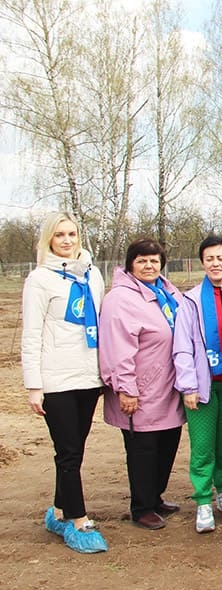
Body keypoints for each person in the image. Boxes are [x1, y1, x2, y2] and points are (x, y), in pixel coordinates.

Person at [21, 213, 108, 553]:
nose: (67, 240)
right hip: (56, 379)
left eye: (72, 234)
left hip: (88, 377)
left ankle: (58, 510)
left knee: (75, 449)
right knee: (68, 452)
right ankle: (78, 519)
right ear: (49, 240)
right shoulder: (39, 280)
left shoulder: (92, 275)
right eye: (59, 235)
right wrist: (34, 385)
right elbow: (31, 334)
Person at [99, 238, 186, 531]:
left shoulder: (167, 292)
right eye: (142, 261)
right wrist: (126, 388)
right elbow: (117, 348)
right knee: (143, 451)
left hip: (169, 388)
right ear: (130, 264)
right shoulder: (120, 300)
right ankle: (142, 507)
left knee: (167, 444)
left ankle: (155, 496)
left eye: (154, 260)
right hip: (141, 390)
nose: (149, 266)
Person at [173, 236, 222, 534]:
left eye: (221, 258)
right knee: (203, 445)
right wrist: (188, 386)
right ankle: (203, 499)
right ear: (202, 263)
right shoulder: (190, 301)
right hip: (204, 385)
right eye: (210, 259)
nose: (216, 264)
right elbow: (182, 346)